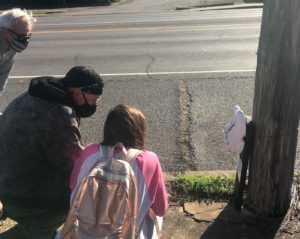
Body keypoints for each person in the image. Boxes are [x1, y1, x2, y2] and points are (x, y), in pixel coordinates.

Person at [0, 65, 104, 239]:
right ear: (78, 93)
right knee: (75, 199)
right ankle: (34, 232)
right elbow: (74, 165)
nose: (92, 107)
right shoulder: (60, 115)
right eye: (91, 101)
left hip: (7, 171)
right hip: (16, 189)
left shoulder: (36, 94)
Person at [69, 104, 168, 239]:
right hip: (124, 235)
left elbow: (73, 190)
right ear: (139, 132)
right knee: (152, 216)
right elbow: (161, 209)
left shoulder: (89, 152)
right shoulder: (148, 160)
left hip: (82, 233)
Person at [0, 8, 35, 97]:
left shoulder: (11, 43)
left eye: (28, 36)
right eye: (22, 37)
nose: (25, 41)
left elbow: (3, 74)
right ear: (5, 32)